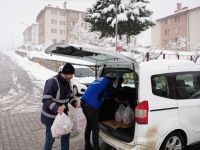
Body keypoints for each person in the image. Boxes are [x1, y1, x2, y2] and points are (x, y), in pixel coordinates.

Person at [41, 63, 79, 150]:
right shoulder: (52, 82)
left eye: (72, 75)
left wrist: (75, 103)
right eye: (70, 74)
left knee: (66, 135)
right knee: (51, 138)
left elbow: (70, 96)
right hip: (51, 117)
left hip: (63, 116)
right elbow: (46, 99)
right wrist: (57, 108)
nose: (71, 77)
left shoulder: (67, 82)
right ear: (65, 73)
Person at [81, 73, 121, 150]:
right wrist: (121, 98)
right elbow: (114, 93)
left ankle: (87, 145)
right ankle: (96, 148)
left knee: (89, 125)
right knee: (95, 129)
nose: (112, 83)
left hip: (83, 102)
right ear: (112, 80)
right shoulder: (108, 83)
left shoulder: (100, 80)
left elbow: (101, 92)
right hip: (91, 106)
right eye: (113, 82)